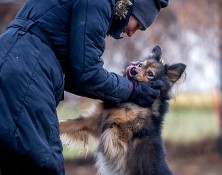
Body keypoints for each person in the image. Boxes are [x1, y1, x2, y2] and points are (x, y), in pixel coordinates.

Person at [0, 0, 169, 174]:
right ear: (132, 6)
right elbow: (87, 73)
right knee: (41, 165)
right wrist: (133, 90)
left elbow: (76, 76)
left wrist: (123, 89)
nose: (132, 33)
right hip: (25, 75)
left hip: (12, 62)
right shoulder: (99, 2)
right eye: (138, 24)